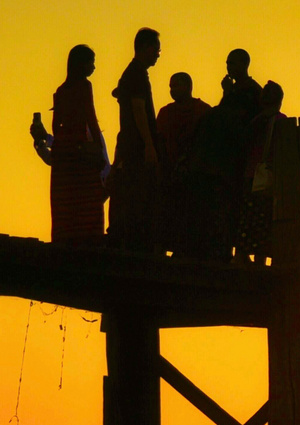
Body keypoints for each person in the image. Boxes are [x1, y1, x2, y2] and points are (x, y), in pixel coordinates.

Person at [179, 50, 262, 261]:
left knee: (233, 207)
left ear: (245, 64)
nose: (228, 68)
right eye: (227, 63)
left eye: (232, 63)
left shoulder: (252, 91)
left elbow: (245, 122)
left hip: (235, 158)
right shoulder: (234, 90)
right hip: (220, 160)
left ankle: (235, 253)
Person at [31, 45, 109, 246]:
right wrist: (98, 149)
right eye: (91, 62)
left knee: (66, 207)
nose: (93, 67)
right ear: (81, 64)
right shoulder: (84, 86)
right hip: (81, 154)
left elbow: (56, 125)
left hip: (64, 156)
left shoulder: (61, 91)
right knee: (87, 208)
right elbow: (90, 117)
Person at [109, 28, 163, 253]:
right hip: (136, 146)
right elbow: (139, 108)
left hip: (130, 144)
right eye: (157, 50)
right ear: (147, 48)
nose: (158, 55)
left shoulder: (131, 74)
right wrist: (149, 144)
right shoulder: (137, 74)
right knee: (139, 196)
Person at [156, 71, 210, 255]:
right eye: (170, 86)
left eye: (176, 85)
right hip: (170, 173)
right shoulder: (165, 113)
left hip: (195, 175)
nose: (172, 90)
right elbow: (159, 143)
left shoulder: (202, 111)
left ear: (188, 87)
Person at [234, 80, 284, 264]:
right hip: (270, 178)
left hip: (250, 176)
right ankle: (261, 262)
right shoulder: (281, 121)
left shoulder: (254, 121)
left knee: (248, 221)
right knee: (265, 223)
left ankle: (241, 257)